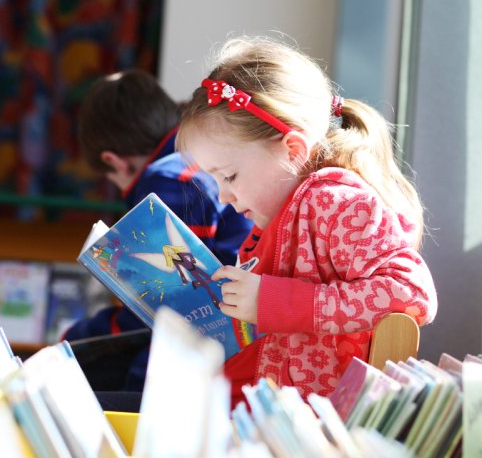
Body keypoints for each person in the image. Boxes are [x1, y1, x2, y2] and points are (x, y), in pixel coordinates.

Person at [175, 35, 438, 406]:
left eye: (229, 176)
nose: (223, 197)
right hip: (261, 411)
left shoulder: (334, 202)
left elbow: (411, 294)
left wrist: (272, 300)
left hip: (312, 428)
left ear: (293, 150)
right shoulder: (280, 218)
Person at [64, 69, 253, 392]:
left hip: (218, 350)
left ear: (115, 161)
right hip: (231, 334)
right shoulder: (193, 156)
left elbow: (171, 302)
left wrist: (76, 340)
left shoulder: (167, 180)